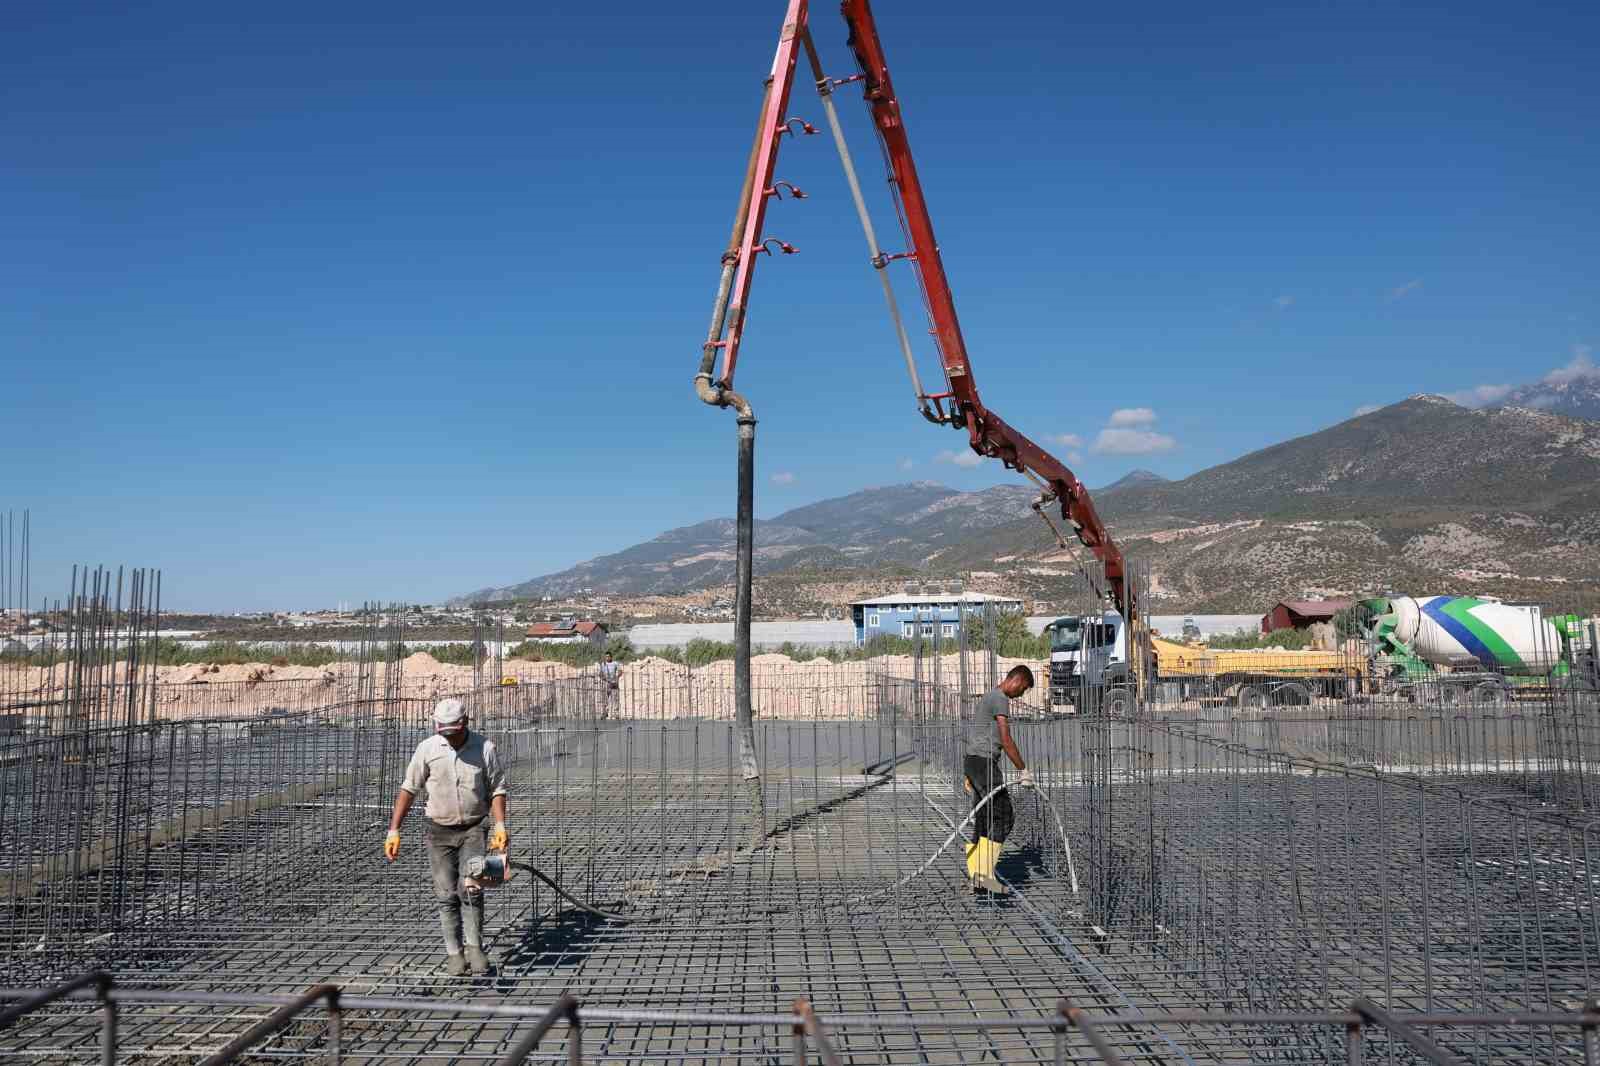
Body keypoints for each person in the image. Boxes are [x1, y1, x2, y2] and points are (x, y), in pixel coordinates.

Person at [384, 698, 508, 976]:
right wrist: (394, 830)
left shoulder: (484, 749)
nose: (450, 739)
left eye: (454, 733)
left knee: (472, 889)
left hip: (474, 828)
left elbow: (498, 788)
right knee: (446, 894)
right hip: (439, 832)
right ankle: (455, 952)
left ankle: (475, 947)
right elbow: (409, 789)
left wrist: (500, 826)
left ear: (466, 723)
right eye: (445, 734)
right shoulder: (427, 749)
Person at [963, 665, 1035, 895]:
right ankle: (983, 876)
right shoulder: (1000, 698)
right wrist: (1023, 769)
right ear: (1017, 680)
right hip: (984, 764)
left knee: (984, 818)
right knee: (1004, 816)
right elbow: (1005, 738)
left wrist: (968, 772)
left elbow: (978, 732)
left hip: (974, 762)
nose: (1021, 694)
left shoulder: (990, 696)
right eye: (1023, 689)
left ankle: (976, 877)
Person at [599, 651, 621, 718]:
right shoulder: (603, 664)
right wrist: (604, 679)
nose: (607, 658)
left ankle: (616, 713)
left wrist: (617, 677)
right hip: (607, 682)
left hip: (614, 682)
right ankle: (605, 712)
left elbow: (620, 671)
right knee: (605, 698)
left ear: (611, 657)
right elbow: (600, 673)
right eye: (606, 656)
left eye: (608, 656)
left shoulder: (615, 663)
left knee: (615, 698)